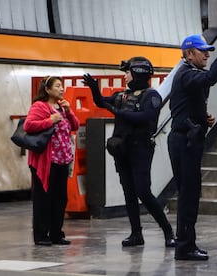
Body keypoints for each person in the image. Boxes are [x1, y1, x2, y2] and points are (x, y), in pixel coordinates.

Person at [82, 57, 176, 248]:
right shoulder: (123, 95)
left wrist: (116, 111)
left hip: (141, 149)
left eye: (127, 72)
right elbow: (101, 102)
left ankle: (168, 231)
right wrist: (93, 87)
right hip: (122, 149)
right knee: (129, 192)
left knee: (143, 191)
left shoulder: (152, 96)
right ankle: (136, 234)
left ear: (138, 73)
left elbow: (145, 116)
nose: (125, 76)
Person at [168, 27, 217, 261]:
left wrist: (200, 116)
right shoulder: (187, 73)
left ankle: (186, 243)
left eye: (209, 52)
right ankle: (185, 246)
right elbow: (210, 78)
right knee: (189, 194)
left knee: (189, 192)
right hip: (184, 141)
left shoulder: (187, 72)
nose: (207, 55)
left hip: (187, 137)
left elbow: (186, 102)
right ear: (189, 54)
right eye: (203, 51)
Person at [24, 76, 80, 246]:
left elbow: (75, 125)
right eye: (57, 86)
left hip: (62, 160)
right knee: (43, 198)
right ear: (48, 90)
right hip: (46, 161)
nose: (61, 89)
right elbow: (29, 125)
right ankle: (41, 235)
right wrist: (50, 120)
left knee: (60, 198)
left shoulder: (62, 107)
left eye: (62, 86)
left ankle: (56, 233)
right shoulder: (40, 106)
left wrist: (69, 111)